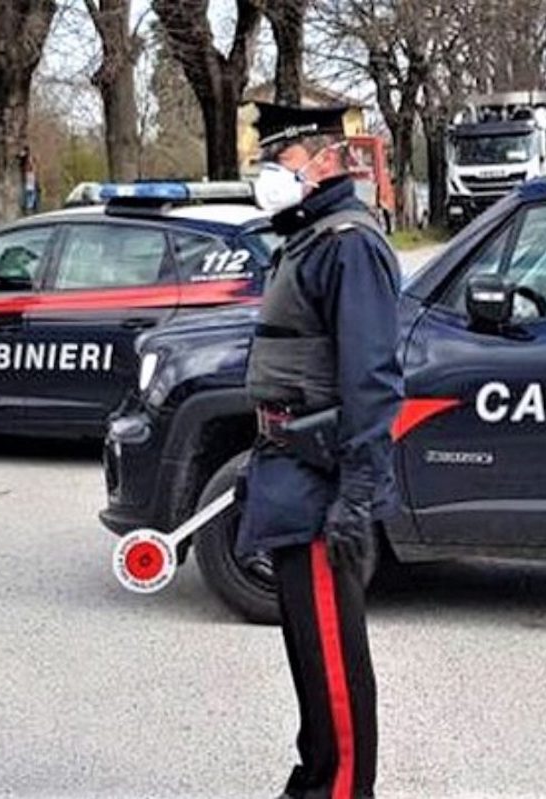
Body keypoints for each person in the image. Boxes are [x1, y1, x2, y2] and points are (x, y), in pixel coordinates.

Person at [237, 103, 403, 799]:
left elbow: (371, 378)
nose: (270, 173)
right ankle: (313, 780)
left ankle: (341, 790)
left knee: (334, 665)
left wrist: (356, 496)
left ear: (325, 157)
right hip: (290, 469)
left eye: (282, 159)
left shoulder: (348, 242)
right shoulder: (307, 238)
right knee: (309, 652)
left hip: (324, 481)